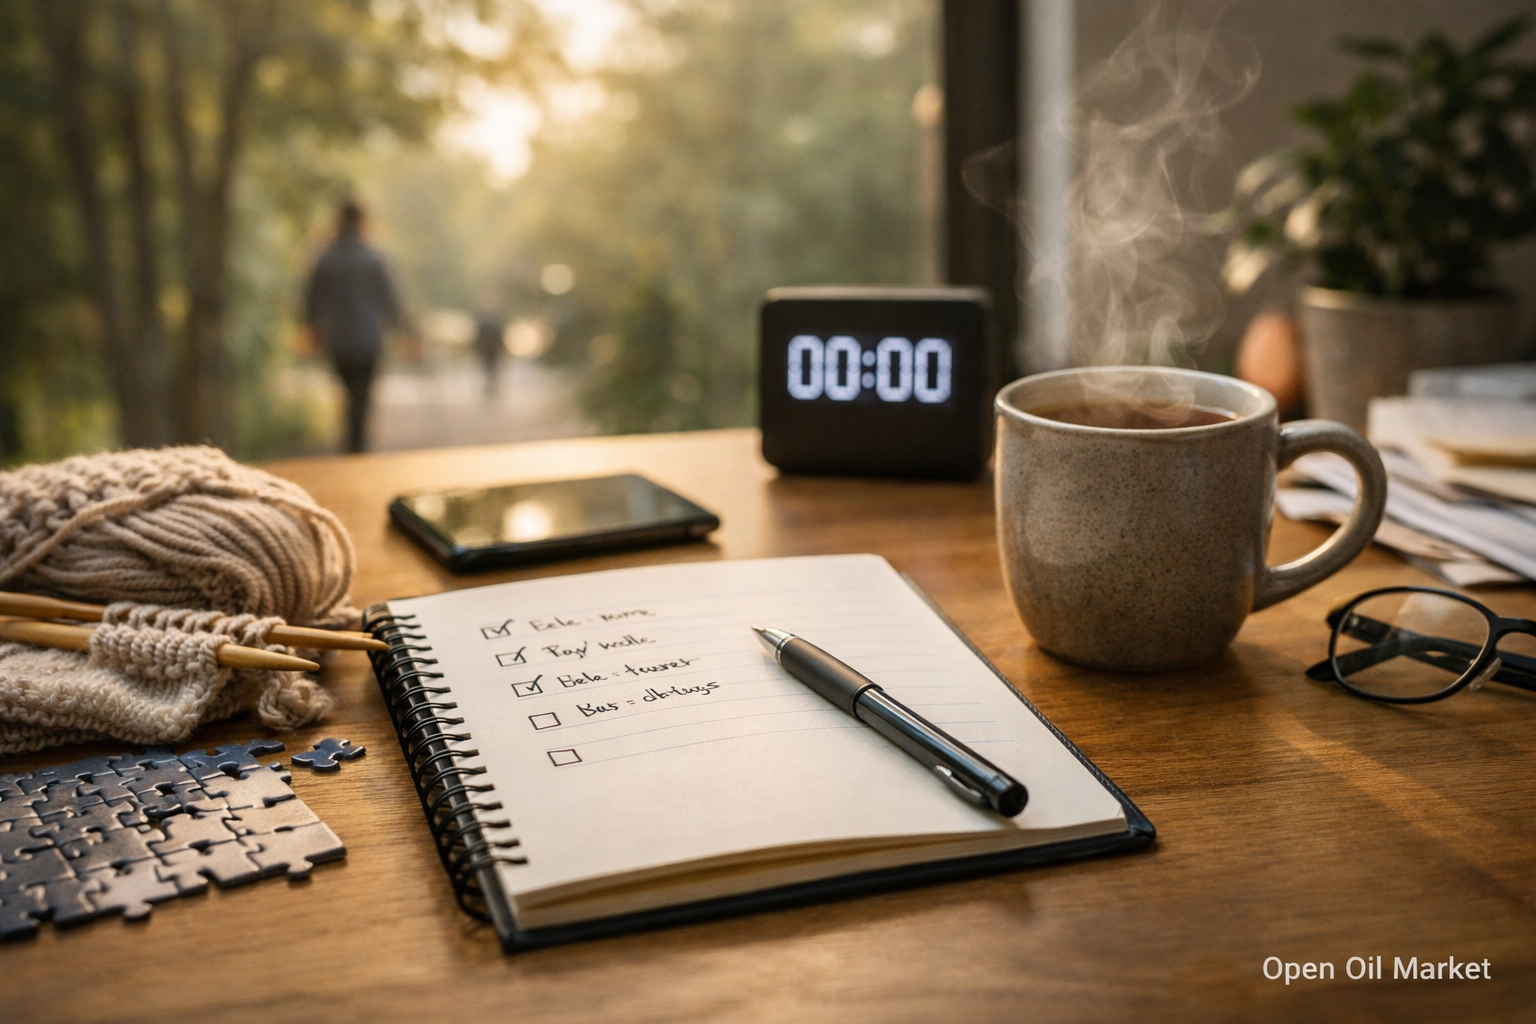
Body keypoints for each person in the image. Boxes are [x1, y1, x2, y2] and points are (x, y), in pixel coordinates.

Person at [301, 200, 412, 453]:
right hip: (368, 340)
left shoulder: (325, 256)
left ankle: (352, 444)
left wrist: (311, 330)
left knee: (349, 395)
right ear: (363, 220)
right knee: (362, 397)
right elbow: (391, 300)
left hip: (338, 340)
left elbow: (310, 299)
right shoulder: (374, 256)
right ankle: (357, 446)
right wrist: (406, 332)